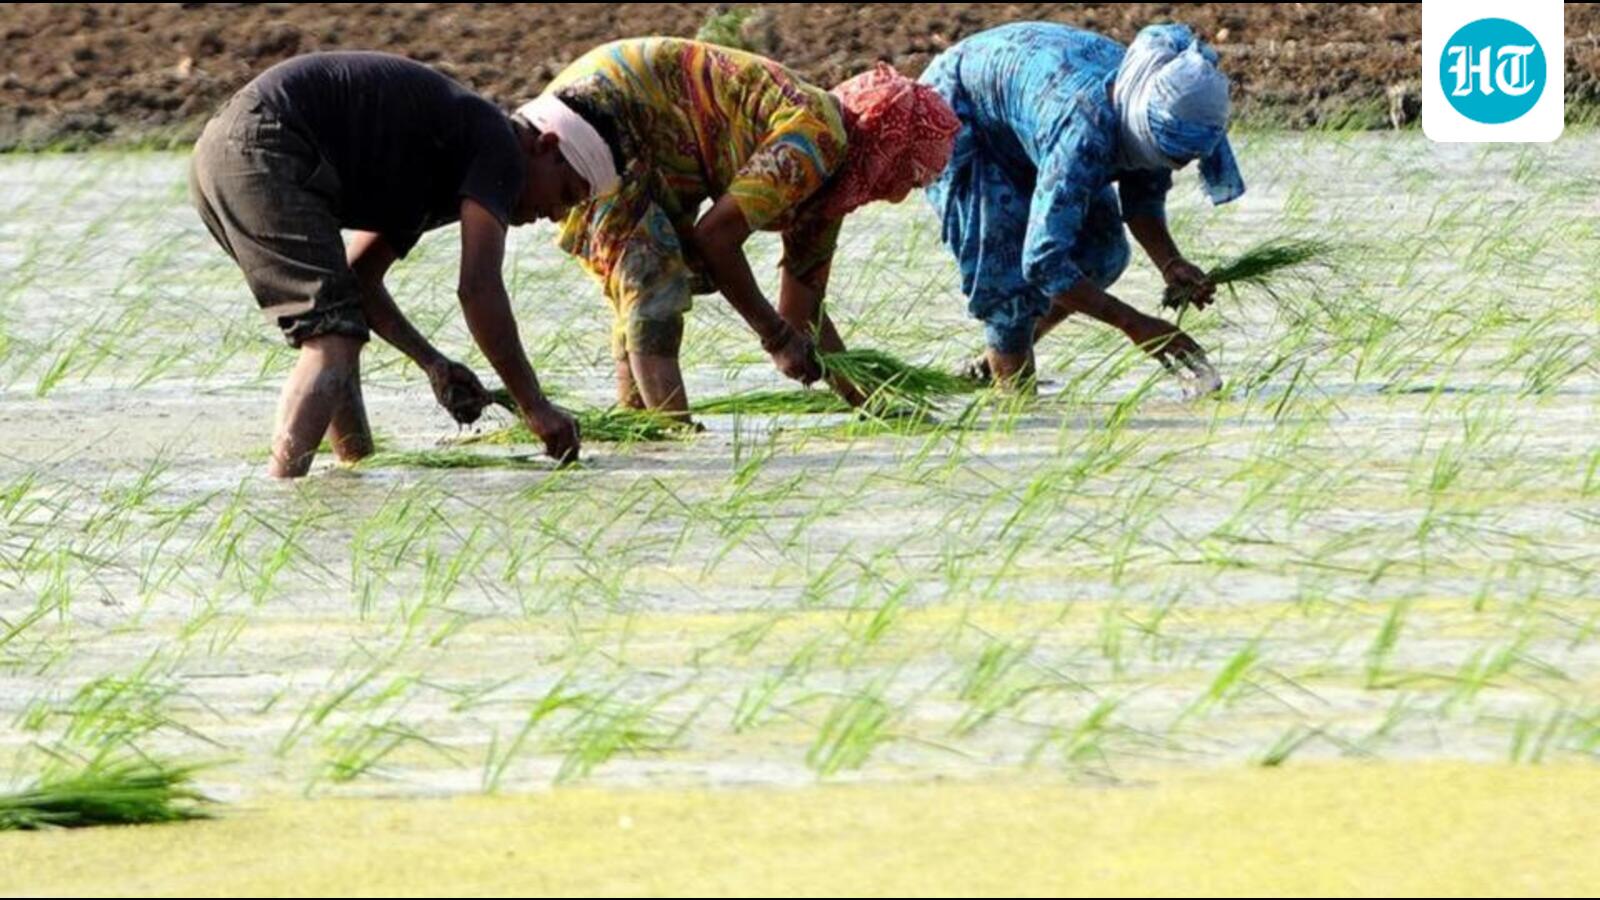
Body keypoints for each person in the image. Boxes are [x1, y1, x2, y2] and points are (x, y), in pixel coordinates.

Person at [190, 51, 597, 477]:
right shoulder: (501, 148)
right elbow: (478, 288)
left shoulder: (446, 163)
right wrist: (536, 407)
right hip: (265, 145)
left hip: (221, 154)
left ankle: (354, 470)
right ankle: (282, 493)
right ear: (547, 146)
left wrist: (433, 364)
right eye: (566, 193)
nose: (556, 215)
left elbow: (360, 281)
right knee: (332, 336)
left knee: (339, 322)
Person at [532, 37, 960, 416]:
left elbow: (802, 309)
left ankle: (641, 431)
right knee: (653, 279)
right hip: (603, 110)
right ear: (884, 148)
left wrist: (868, 401)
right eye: (906, 171)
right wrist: (774, 339)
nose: (898, 192)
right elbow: (715, 238)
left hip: (643, 132)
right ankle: (673, 445)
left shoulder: (825, 189)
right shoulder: (816, 138)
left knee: (646, 280)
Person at [919, 22, 1246, 387]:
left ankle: (999, 359)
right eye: (1172, 155)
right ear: (1143, 129)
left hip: (1033, 119)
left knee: (1103, 253)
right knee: (1008, 283)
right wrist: (1134, 324)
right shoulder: (1087, 129)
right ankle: (1013, 402)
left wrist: (1170, 263)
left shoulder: (1149, 100)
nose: (1180, 165)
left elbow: (1143, 196)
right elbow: (1043, 263)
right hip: (965, 114)